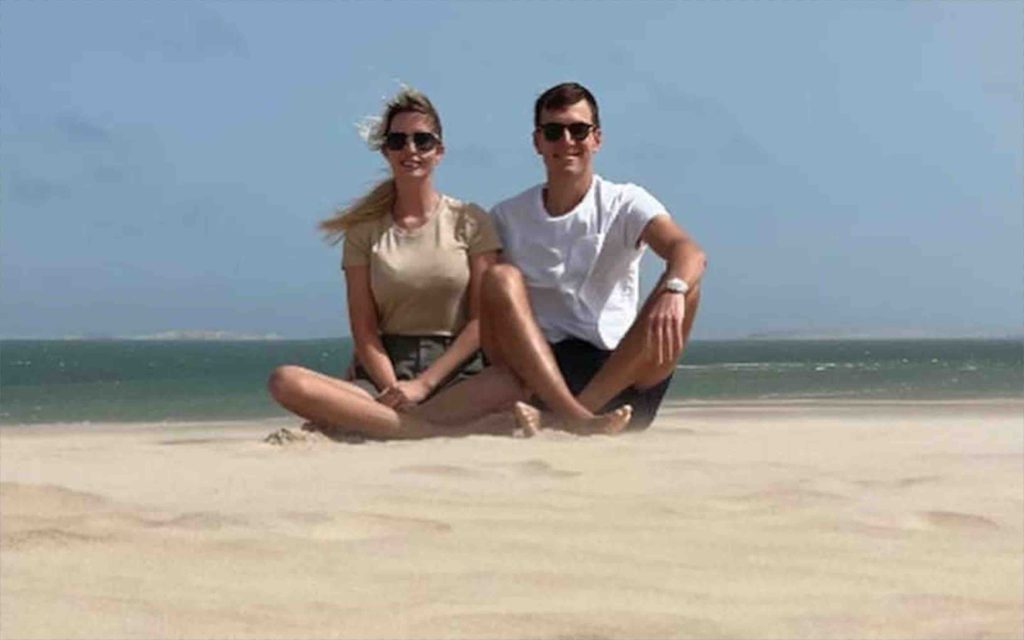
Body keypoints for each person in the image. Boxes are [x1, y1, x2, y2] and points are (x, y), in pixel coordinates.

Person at [267, 87, 526, 439]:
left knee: (510, 382)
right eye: (398, 140)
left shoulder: (470, 219)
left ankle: (382, 424)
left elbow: (481, 322)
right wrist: (393, 389)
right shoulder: (364, 231)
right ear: (386, 151)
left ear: (439, 151)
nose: (411, 149)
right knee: (285, 381)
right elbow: (365, 332)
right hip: (384, 370)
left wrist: (423, 385)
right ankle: (425, 429)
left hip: (454, 371)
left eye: (422, 140)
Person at [472, 81, 707, 433]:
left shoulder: (625, 202)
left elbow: (687, 249)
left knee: (688, 286)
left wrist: (674, 291)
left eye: (578, 130)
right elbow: (484, 311)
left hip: (617, 373)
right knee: (498, 279)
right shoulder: (508, 216)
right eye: (554, 132)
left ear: (596, 138)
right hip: (543, 374)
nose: (566, 141)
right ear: (538, 142)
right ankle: (576, 418)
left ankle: (569, 418)